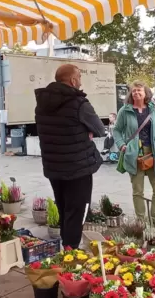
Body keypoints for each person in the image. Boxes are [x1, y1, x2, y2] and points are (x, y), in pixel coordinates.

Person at [35, 64, 106, 249]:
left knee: (63, 208)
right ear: (73, 80)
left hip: (54, 167)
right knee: (78, 211)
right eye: (80, 77)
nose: (81, 81)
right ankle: (71, 254)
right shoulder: (78, 103)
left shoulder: (42, 103)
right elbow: (99, 129)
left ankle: (65, 247)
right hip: (78, 168)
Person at [114, 81, 155, 226]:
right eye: (134, 91)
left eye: (139, 90)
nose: (136, 93)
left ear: (146, 93)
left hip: (153, 153)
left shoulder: (153, 110)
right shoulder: (125, 110)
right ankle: (141, 222)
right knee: (138, 191)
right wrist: (121, 145)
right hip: (134, 154)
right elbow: (117, 130)